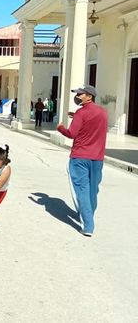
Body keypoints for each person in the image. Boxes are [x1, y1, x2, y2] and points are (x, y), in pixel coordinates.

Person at [56, 85, 107, 237]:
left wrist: (60, 128)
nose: (77, 96)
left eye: (80, 94)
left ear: (89, 96)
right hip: (97, 158)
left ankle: (88, 226)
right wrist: (77, 117)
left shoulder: (81, 113)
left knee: (82, 190)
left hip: (80, 157)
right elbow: (93, 125)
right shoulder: (102, 113)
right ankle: (89, 214)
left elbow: (71, 133)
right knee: (93, 189)